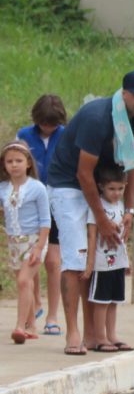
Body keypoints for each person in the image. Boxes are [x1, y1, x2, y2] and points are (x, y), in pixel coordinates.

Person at [46, 70, 134, 355]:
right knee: (76, 257)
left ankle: (94, 335)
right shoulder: (97, 118)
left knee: (99, 258)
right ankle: (73, 333)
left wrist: (129, 210)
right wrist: (101, 219)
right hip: (68, 184)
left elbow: (133, 165)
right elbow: (83, 173)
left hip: (101, 186)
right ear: (124, 93)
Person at [18, 94, 66, 336]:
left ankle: (53, 316)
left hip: (57, 202)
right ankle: (34, 305)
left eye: (53, 124)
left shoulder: (66, 135)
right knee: (31, 257)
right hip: (31, 204)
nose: (48, 128)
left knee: (53, 261)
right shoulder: (24, 135)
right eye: (44, 123)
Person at [2, 141, 48, 345]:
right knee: (25, 283)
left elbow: (45, 220)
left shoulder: (37, 188)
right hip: (14, 242)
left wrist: (39, 247)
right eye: (9, 161)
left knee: (23, 280)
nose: (14, 165)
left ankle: (20, 327)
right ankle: (31, 326)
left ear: (28, 163)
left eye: (18, 160)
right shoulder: (3, 188)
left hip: (34, 241)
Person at [83, 165, 130, 352]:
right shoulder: (97, 208)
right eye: (112, 189)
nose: (116, 193)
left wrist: (127, 261)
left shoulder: (121, 206)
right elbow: (91, 235)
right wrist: (90, 264)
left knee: (114, 301)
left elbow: (123, 237)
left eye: (120, 189)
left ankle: (112, 336)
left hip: (118, 262)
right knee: (101, 302)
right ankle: (100, 338)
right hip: (102, 263)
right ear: (101, 186)